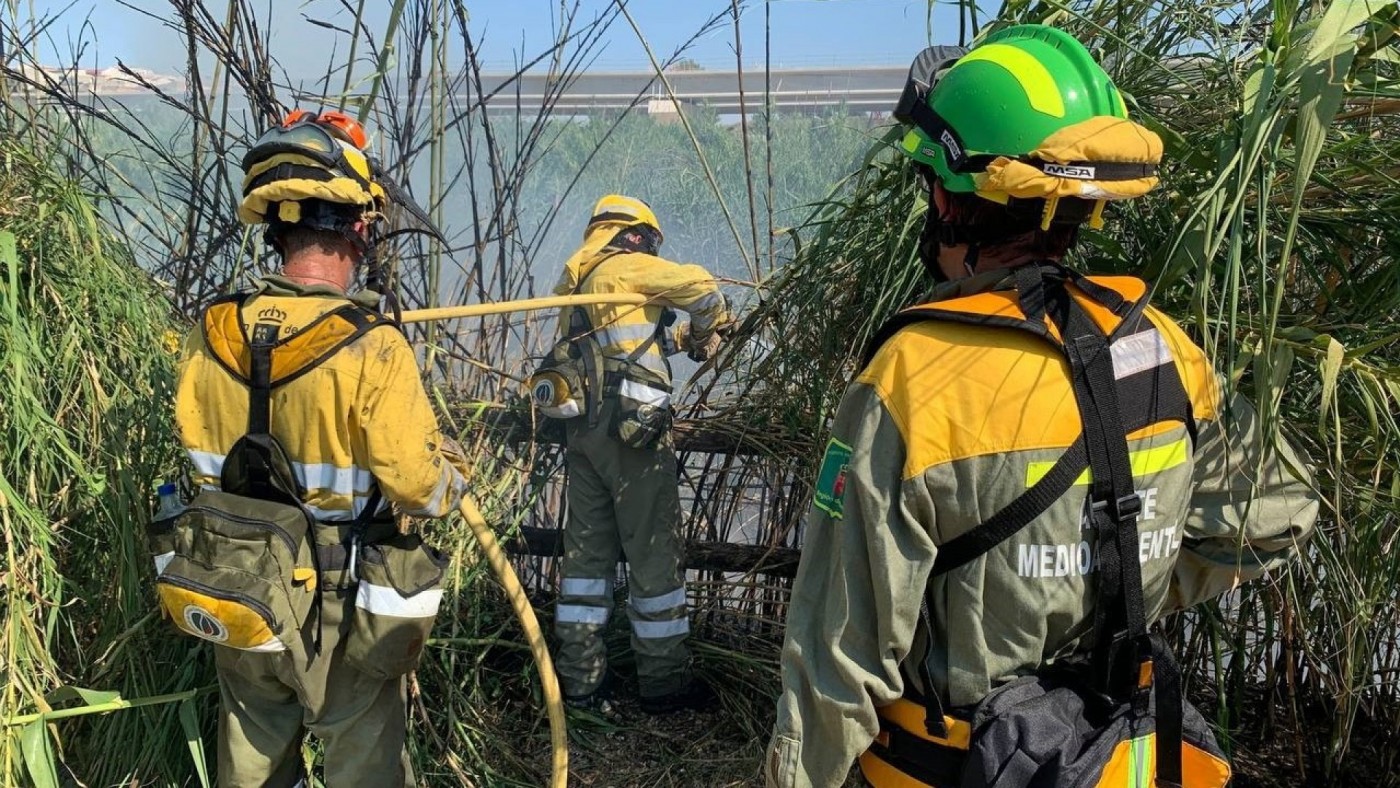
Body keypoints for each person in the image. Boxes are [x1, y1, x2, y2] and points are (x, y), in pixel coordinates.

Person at [764, 26, 1319, 788]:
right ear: (1082, 207)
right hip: (1113, 758)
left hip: (951, 768)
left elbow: (840, 663)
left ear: (943, 195)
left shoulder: (913, 381)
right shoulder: (1165, 349)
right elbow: (1278, 509)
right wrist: (1140, 575)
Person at [173, 110, 468, 786]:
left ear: (277, 226)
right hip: (337, 608)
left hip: (235, 584)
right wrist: (455, 470)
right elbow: (419, 486)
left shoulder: (210, 330)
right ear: (358, 228)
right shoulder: (371, 345)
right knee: (360, 759)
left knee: (249, 756)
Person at [546, 194, 730, 714]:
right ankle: (664, 683)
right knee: (654, 557)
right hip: (635, 437)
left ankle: (579, 680)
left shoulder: (577, 280)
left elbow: (625, 349)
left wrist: (680, 341)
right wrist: (706, 329)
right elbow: (704, 290)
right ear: (637, 235)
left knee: (586, 560)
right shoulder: (630, 266)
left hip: (583, 436)